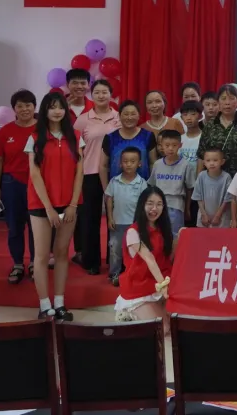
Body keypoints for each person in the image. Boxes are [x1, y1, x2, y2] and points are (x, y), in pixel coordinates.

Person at [25, 91, 84, 321]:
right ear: (45, 111)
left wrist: (72, 204)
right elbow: (34, 174)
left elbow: (79, 172)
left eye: (60, 107)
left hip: (69, 204)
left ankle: (59, 303)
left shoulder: (76, 137)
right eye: (52, 107)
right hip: (41, 204)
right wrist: (48, 208)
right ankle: (44, 305)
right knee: (41, 256)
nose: (57, 111)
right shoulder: (35, 138)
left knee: (61, 253)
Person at [70, 78, 120, 274]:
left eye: (104, 92)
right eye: (97, 92)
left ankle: (114, 260)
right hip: (89, 173)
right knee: (89, 218)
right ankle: (91, 261)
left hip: (114, 174)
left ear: (111, 95)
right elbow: (74, 149)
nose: (101, 96)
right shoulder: (83, 119)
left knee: (115, 217)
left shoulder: (118, 117)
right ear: (92, 95)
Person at [0, 89, 39, 284]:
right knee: (14, 226)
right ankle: (17, 264)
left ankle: (35, 263)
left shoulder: (43, 129)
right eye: (20, 106)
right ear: (14, 109)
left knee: (37, 226)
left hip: (38, 185)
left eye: (28, 105)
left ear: (34, 107)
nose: (24, 109)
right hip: (12, 184)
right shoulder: (5, 131)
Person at [114, 186, 173, 325]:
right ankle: (127, 311)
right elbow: (149, 259)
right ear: (142, 205)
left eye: (159, 204)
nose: (154, 208)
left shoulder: (163, 230)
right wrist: (163, 286)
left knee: (175, 324)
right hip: (139, 288)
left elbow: (167, 257)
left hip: (158, 284)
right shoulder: (133, 232)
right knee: (162, 329)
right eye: (150, 203)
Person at [105, 147, 147, 287]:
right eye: (125, 161)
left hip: (134, 224)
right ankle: (114, 274)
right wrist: (110, 218)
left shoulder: (142, 183)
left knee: (134, 250)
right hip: (117, 223)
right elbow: (109, 199)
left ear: (139, 163)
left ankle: (133, 274)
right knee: (115, 249)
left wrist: (141, 222)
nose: (129, 164)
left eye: (132, 161)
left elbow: (144, 204)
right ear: (120, 163)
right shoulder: (114, 181)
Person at [197, 84, 237, 177]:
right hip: (214, 178)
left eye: (231, 98)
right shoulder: (210, 125)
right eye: (223, 98)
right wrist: (198, 180)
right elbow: (201, 155)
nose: (227, 103)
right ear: (218, 101)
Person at [149, 130, 196, 236]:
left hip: (177, 205)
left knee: (175, 235)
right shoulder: (157, 164)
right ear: (161, 146)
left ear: (180, 145)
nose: (170, 148)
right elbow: (152, 186)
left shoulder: (186, 165)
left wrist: (187, 208)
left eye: (174, 145)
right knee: (158, 234)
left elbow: (189, 188)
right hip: (158, 205)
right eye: (167, 145)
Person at [100, 100, 157, 185]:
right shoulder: (110, 138)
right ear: (119, 116)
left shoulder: (148, 136)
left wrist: (152, 187)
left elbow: (153, 163)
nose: (129, 117)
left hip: (143, 188)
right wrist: (106, 189)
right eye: (126, 114)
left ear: (139, 116)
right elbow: (103, 166)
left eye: (133, 114)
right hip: (116, 188)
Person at [192, 149, 231, 228]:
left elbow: (227, 199)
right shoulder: (201, 176)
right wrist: (203, 215)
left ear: (222, 162)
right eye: (208, 160)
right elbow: (198, 197)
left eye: (215, 160)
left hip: (221, 218)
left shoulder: (226, 177)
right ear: (204, 162)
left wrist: (218, 216)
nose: (212, 163)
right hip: (204, 218)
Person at [178, 101, 203, 168]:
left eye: (193, 114)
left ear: (200, 116)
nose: (189, 118)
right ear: (181, 117)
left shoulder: (205, 138)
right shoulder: (179, 139)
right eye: (185, 114)